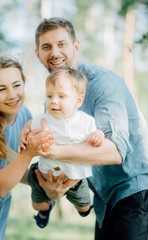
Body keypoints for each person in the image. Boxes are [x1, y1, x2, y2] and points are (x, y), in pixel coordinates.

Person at [21, 17, 148, 239]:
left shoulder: (104, 84)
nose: (54, 52)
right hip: (103, 202)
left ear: (76, 46)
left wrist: (56, 151)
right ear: (38, 54)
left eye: (62, 44)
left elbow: (116, 151)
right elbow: (65, 154)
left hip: (136, 194)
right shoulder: (53, 101)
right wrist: (53, 191)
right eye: (46, 47)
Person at [0, 55, 54, 240]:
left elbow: (14, 170)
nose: (12, 95)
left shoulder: (23, 115)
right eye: (1, 89)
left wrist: (44, 184)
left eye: (17, 85)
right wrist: (29, 153)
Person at [20, 66, 104, 228]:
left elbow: (96, 134)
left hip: (74, 178)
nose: (53, 101)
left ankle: (85, 209)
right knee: (38, 205)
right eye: (49, 95)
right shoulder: (44, 119)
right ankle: (45, 210)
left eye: (61, 96)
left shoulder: (86, 122)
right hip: (43, 174)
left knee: (84, 207)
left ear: (78, 101)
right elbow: (30, 124)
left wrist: (98, 134)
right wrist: (24, 132)